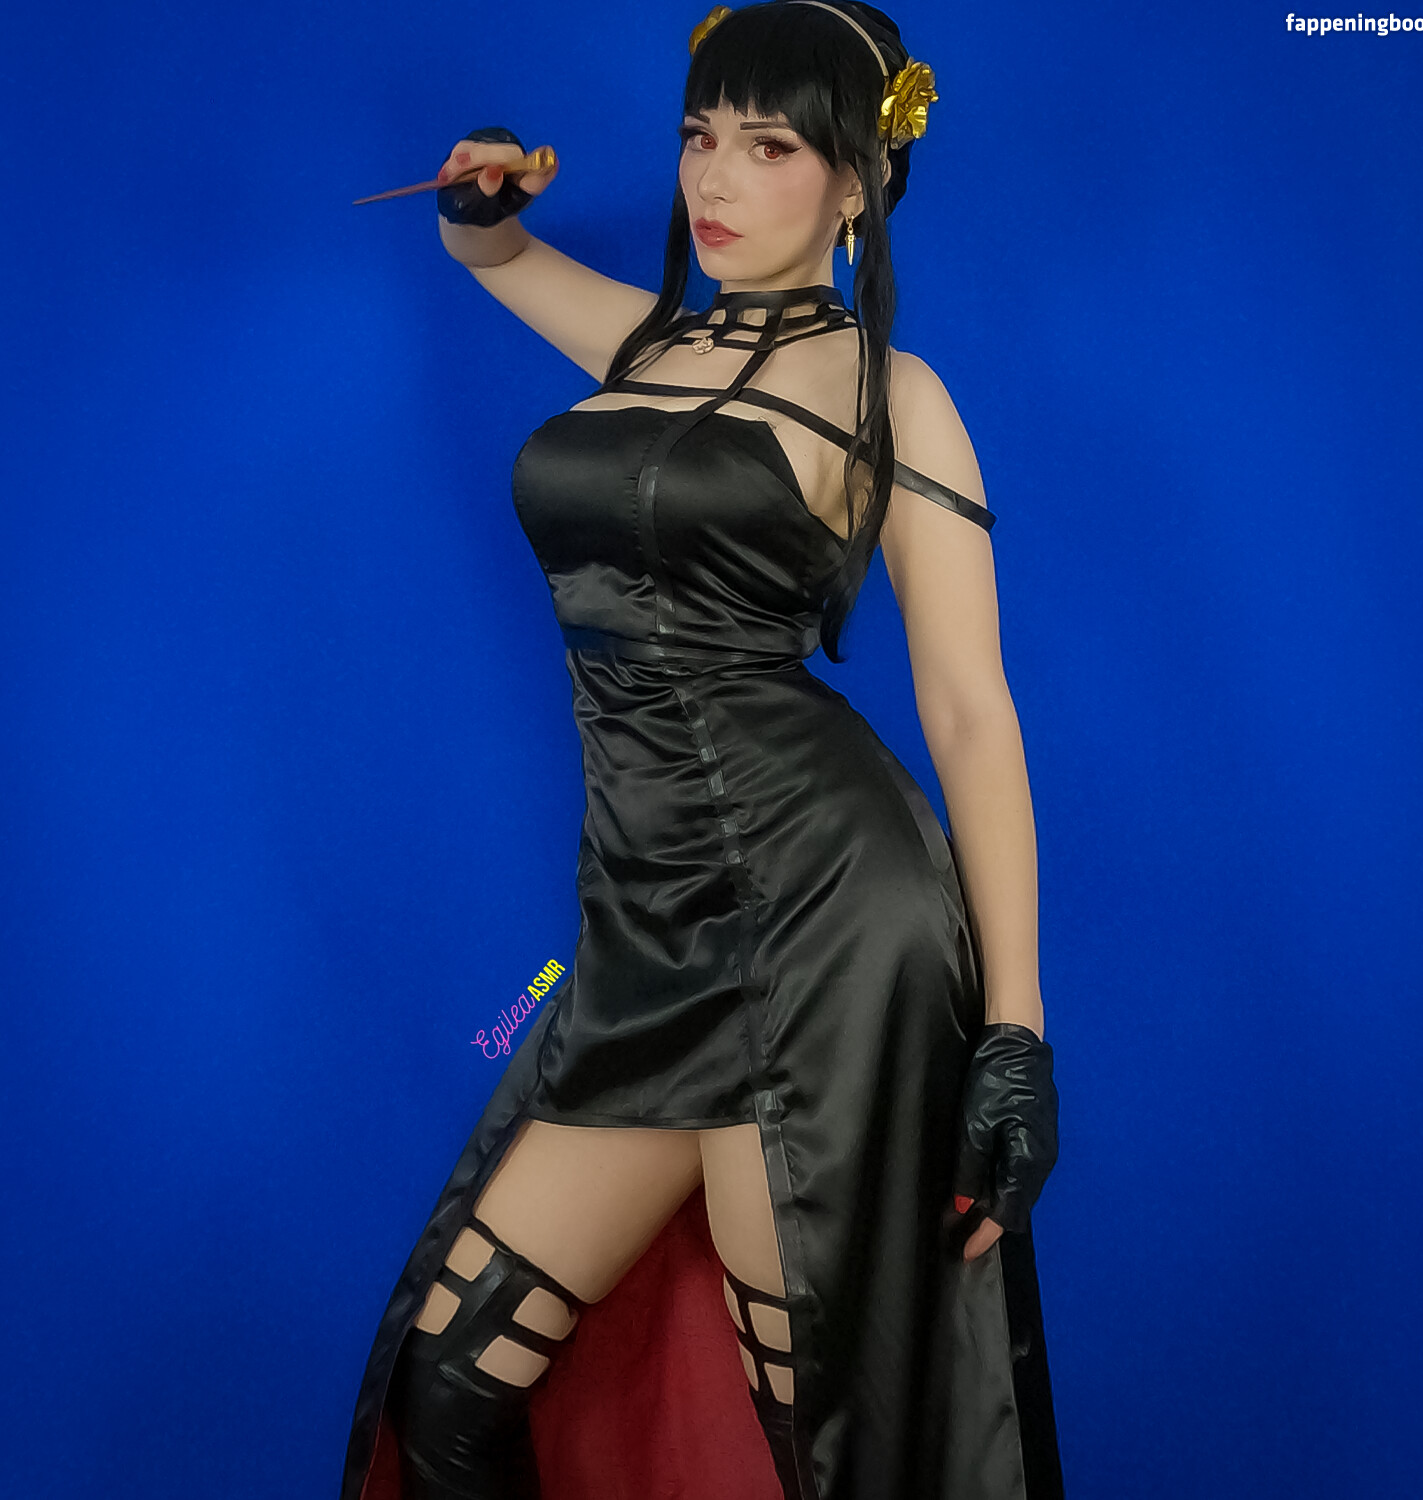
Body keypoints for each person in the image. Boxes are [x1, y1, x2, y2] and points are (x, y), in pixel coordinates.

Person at [340, 4, 1063, 1497]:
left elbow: (969, 712)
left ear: (858, 182)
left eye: (769, 145)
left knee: (826, 1435)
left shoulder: (893, 396)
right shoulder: (651, 342)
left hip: (822, 927)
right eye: (698, 136)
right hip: (639, 929)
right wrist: (481, 196)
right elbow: (492, 255)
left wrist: (1017, 1030)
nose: (715, 179)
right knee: (446, 1387)